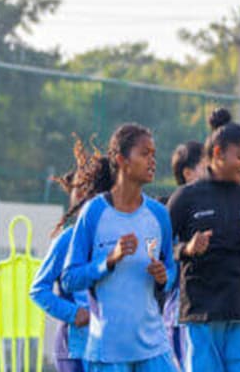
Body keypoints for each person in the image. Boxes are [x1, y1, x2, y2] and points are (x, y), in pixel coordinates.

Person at [61, 125, 178, 372]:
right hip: (107, 352)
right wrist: (108, 261)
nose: (152, 161)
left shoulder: (159, 215)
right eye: (144, 154)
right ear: (121, 160)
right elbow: (69, 279)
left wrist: (164, 277)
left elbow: (171, 271)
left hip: (154, 349)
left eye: (154, 154)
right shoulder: (94, 212)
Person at [166, 109, 240, 372]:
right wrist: (187, 249)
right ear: (218, 153)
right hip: (201, 313)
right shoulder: (186, 197)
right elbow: (158, 247)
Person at [29, 142, 91, 372]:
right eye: (79, 188)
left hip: (107, 348)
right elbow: (38, 290)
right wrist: (74, 313)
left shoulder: (112, 238)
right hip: (74, 350)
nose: (84, 193)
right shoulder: (67, 240)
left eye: (90, 187)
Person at [162, 140, 207, 366]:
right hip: (183, 313)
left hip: (209, 312)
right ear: (188, 174)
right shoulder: (178, 211)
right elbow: (164, 254)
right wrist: (186, 249)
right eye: (205, 166)